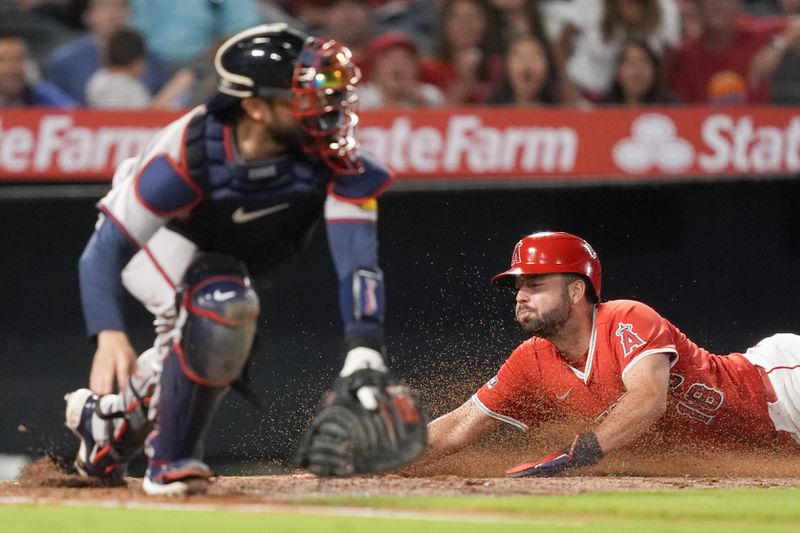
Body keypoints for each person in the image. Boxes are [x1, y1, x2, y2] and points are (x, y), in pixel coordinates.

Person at [62, 23, 426, 496]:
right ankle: (169, 461)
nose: (326, 106)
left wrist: (364, 346)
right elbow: (103, 252)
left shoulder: (332, 156)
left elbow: (359, 262)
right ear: (254, 106)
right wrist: (107, 334)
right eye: (305, 95)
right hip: (161, 239)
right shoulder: (189, 153)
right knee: (221, 308)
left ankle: (105, 427)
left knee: (219, 316)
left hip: (216, 254)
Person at [419, 231, 800, 477]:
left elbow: (648, 401)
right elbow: (455, 429)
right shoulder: (531, 360)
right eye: (518, 286)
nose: (521, 295)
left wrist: (579, 452)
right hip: (771, 442)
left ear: (575, 291)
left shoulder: (625, 318)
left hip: (782, 386)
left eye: (536, 284)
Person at [44, 0, 170, 105]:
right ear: (87, 15)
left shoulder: (152, 60)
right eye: (104, 6)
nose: (113, 15)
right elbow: (52, 106)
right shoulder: (64, 62)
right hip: (82, 132)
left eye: (120, 6)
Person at [668, 0, 787, 104]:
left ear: (738, 3)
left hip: (757, 125)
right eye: (708, 0)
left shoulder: (756, 37)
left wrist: (777, 46)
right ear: (697, 6)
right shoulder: (683, 56)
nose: (717, 5)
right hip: (699, 126)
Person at [85, 27, 194, 109]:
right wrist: (176, 87)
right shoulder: (126, 86)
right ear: (138, 62)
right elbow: (144, 118)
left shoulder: (97, 79)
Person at [358, 31, 445, 109]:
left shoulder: (430, 95)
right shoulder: (360, 98)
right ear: (375, 66)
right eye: (390, 58)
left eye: (405, 59)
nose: (398, 65)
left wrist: (421, 103)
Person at [0, 29, 76, 107]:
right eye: (2, 60)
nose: (12, 68)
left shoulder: (45, 95)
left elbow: (74, 113)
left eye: (19, 59)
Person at [487, 32, 560, 106]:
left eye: (534, 57)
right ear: (506, 67)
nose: (527, 65)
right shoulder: (489, 110)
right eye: (519, 57)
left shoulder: (560, 110)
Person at [601, 38, 676, 105]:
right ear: (617, 71)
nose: (637, 72)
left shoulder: (674, 108)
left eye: (643, 62)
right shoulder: (602, 110)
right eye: (630, 63)